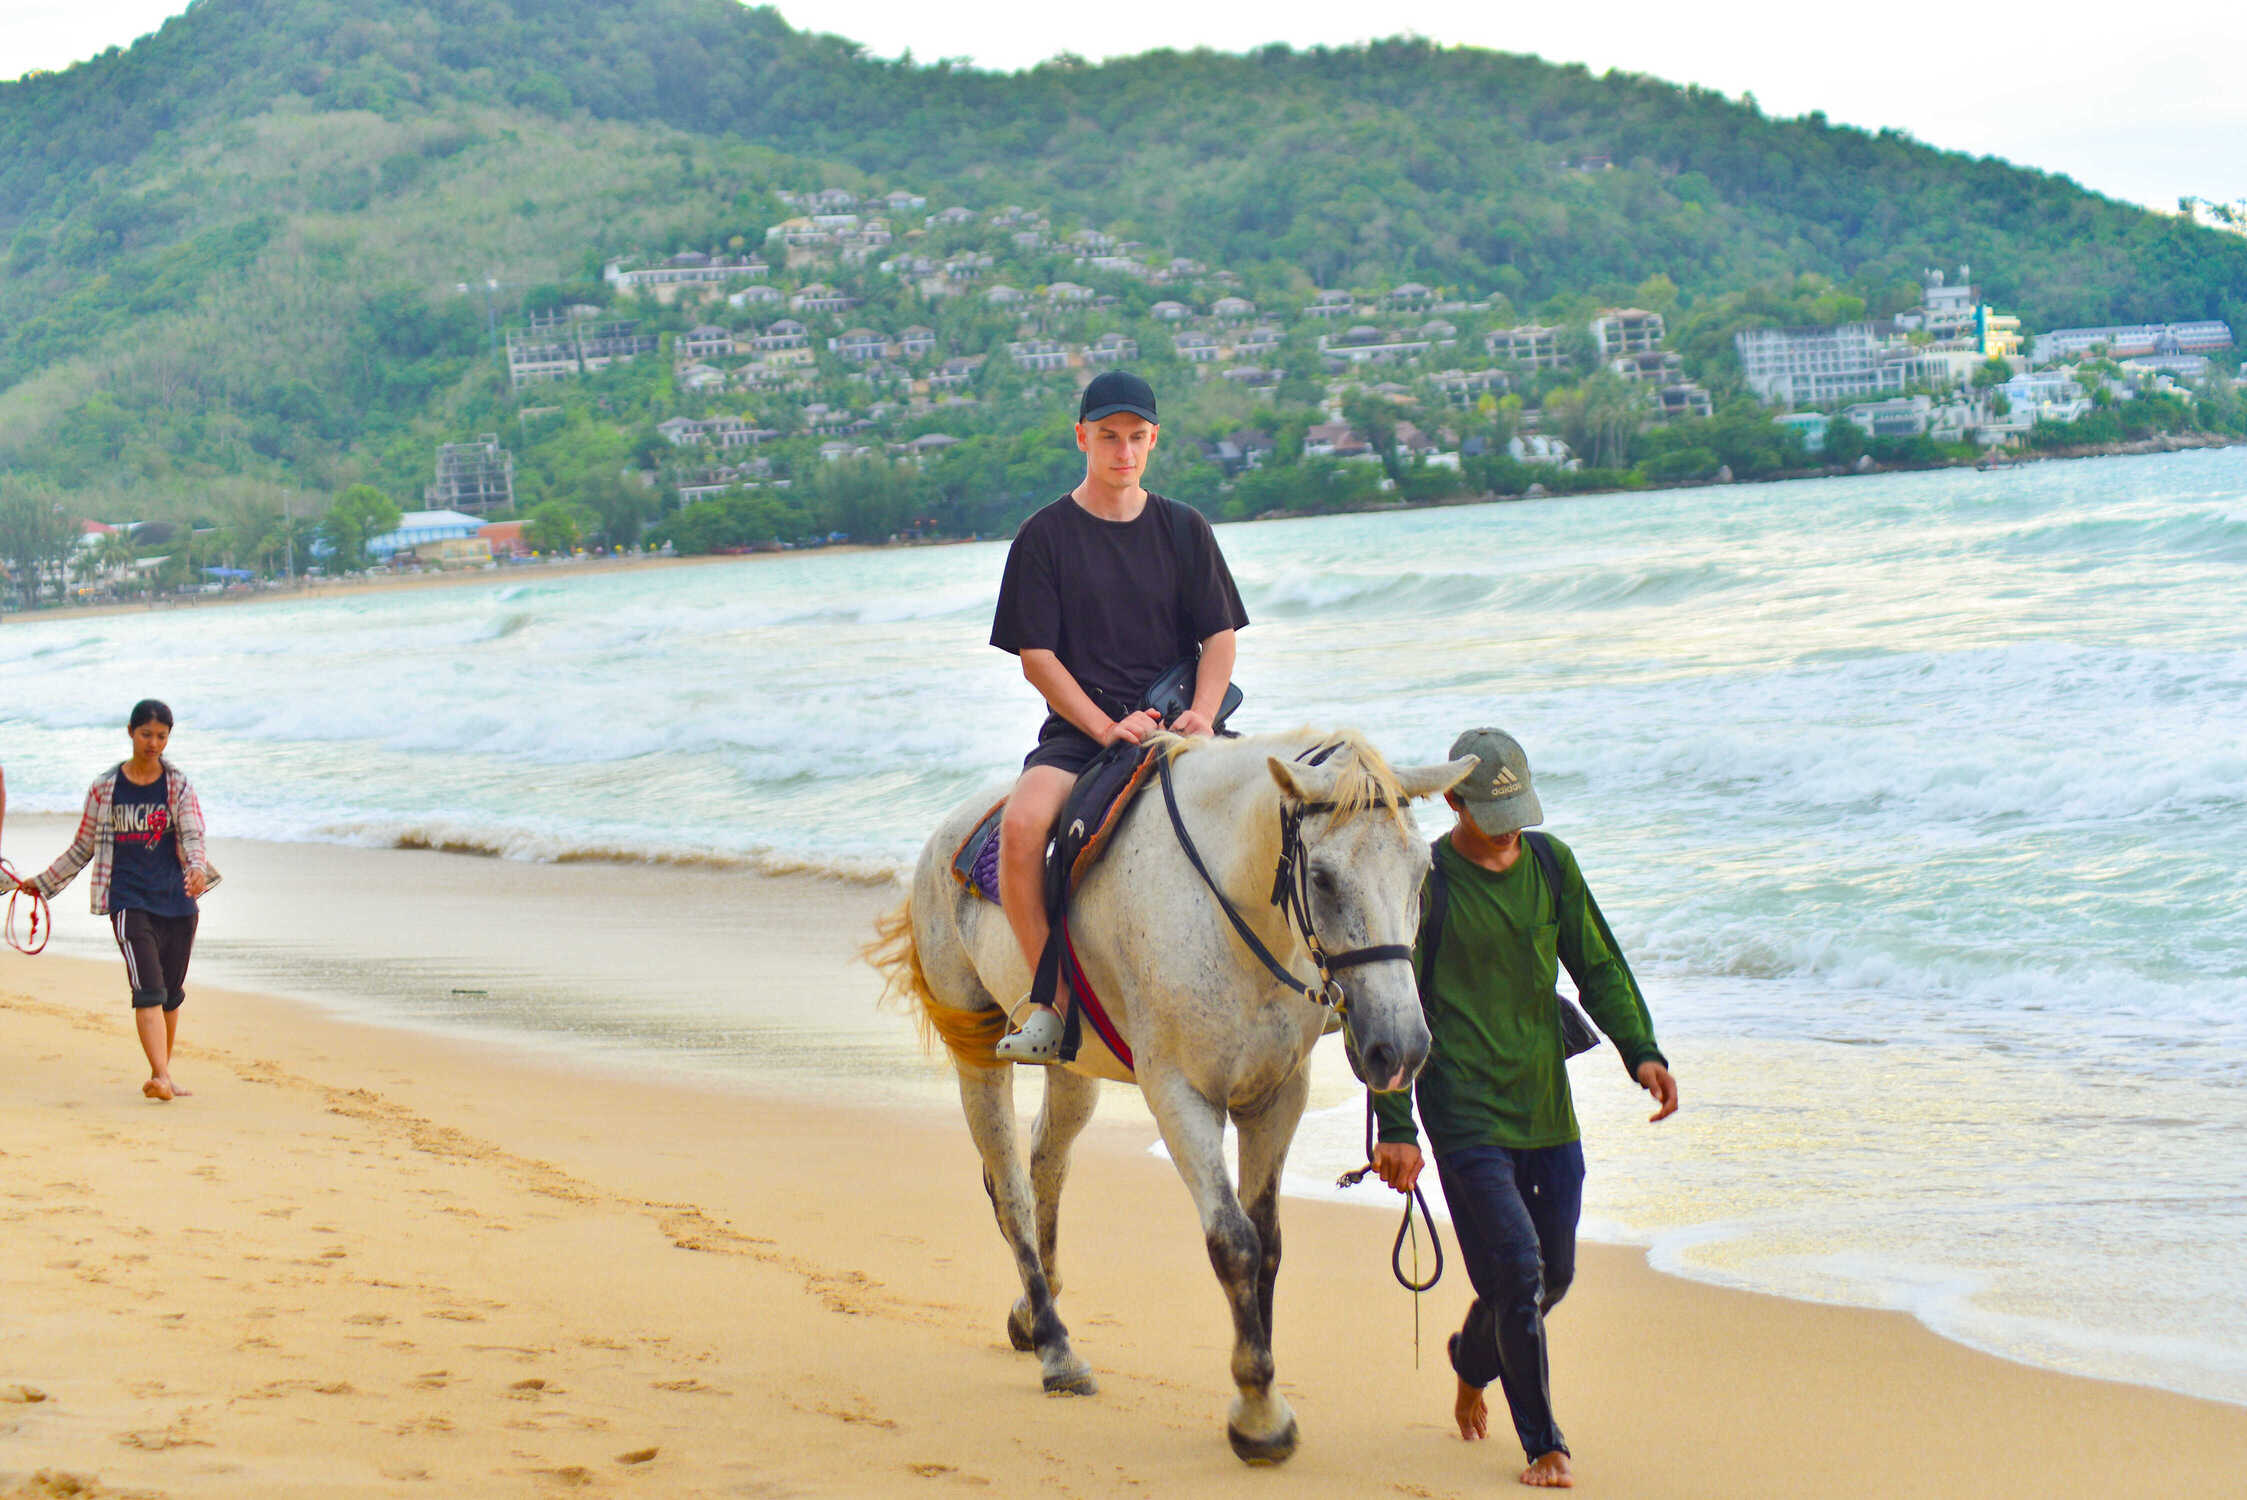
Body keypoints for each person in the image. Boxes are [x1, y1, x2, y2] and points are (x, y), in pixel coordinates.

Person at [1373, 727, 1679, 1490]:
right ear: (1452, 802)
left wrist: (1640, 1049)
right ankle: (1544, 1444)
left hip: (1544, 1103)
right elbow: (1388, 1011)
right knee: (1516, 1271)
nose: (1509, 831)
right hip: (1462, 1109)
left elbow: (1596, 960)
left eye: (1516, 813)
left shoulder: (1549, 863)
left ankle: (1471, 1362)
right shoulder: (1424, 880)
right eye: (1491, 814)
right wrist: (1398, 1126)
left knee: (1553, 1276)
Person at [986, 371, 1249, 1062]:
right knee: (1019, 829)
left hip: (1181, 723)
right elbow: (1036, 657)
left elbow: (1219, 637)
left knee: (1283, 810)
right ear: (1082, 438)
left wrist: (1200, 713)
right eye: (1108, 437)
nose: (1122, 451)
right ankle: (1051, 1003)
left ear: (1153, 440)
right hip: (1082, 735)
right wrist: (1105, 729)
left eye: (1136, 438)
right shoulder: (1043, 537)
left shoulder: (1184, 528)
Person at [15, 700, 221, 1101]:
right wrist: (41, 884)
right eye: (146, 734)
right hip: (128, 898)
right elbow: (82, 848)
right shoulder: (106, 788)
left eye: (162, 736)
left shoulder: (177, 785)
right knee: (147, 989)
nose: (154, 743)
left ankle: (162, 1072)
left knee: (171, 994)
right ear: (130, 732)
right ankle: (161, 1076)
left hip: (177, 902)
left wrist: (196, 869)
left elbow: (194, 836)